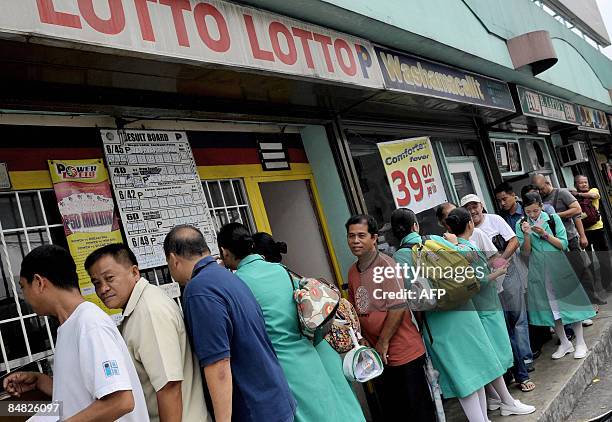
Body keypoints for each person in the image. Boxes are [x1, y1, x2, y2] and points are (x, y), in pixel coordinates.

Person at [393, 208, 535, 421]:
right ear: (415, 225)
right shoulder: (433, 239)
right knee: (477, 368)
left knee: (463, 376)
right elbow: (469, 258)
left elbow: (413, 298)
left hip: (439, 321)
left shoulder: (399, 257)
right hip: (465, 310)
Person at [217, 223, 365, 422]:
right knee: (329, 411)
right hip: (307, 353)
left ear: (225, 252)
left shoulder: (237, 283)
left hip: (280, 363)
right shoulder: (281, 270)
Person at [163, 225, 296, 422]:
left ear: (173, 259)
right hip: (275, 399)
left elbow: (218, 365)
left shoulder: (199, 289)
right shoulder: (228, 276)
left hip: (253, 410)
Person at [3, 245, 149, 421]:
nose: (23, 297)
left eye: (23, 287)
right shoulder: (69, 326)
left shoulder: (90, 324)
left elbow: (121, 401)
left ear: (39, 282)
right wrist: (41, 381)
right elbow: (83, 394)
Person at [84, 243, 211, 422]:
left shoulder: (149, 311)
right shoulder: (138, 308)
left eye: (109, 278)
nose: (103, 289)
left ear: (135, 272)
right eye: (97, 283)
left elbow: (169, 387)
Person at [345, 214, 436, 422]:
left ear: (374, 238)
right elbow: (354, 309)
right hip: (376, 358)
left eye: (361, 235)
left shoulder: (386, 266)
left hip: (403, 353)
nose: (355, 241)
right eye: (351, 236)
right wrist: (362, 339)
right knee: (394, 412)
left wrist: (383, 343)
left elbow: (398, 307)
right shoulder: (352, 271)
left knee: (418, 412)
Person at [460, 194, 534, 392]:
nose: (473, 210)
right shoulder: (465, 233)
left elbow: (513, 242)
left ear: (481, 205)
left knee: (517, 318)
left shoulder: (495, 220)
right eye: (468, 208)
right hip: (488, 286)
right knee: (504, 326)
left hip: (507, 275)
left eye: (475, 205)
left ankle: (525, 360)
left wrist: (499, 263)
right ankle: (512, 366)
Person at [517, 192, 596, 360]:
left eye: (536, 210)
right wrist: (525, 234)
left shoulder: (552, 219)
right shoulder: (521, 224)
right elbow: (525, 252)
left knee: (571, 305)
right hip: (539, 271)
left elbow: (563, 244)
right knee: (553, 309)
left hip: (559, 267)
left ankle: (581, 342)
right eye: (528, 211)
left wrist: (544, 234)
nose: (532, 214)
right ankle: (565, 342)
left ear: (541, 206)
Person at [532, 174, 605, 306]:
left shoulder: (562, 193)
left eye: (541, 188)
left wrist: (554, 216)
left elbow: (577, 210)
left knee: (580, 269)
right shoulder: (539, 199)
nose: (540, 192)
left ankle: (592, 297)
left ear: (547, 183)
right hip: (552, 241)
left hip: (569, 237)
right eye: (537, 189)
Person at [572, 174, 612, 293]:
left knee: (603, 257)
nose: (584, 184)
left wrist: (578, 194)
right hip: (584, 232)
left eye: (586, 182)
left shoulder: (593, 190)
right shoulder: (572, 196)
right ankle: (594, 286)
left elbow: (594, 195)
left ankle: (608, 284)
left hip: (597, 229)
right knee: (588, 261)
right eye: (581, 183)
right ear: (576, 185)